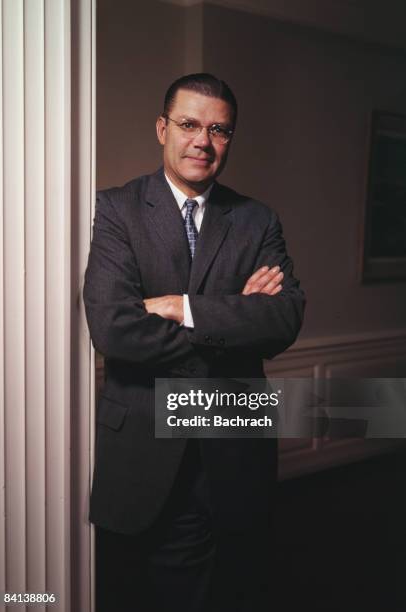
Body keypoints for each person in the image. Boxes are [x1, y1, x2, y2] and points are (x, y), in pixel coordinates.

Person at [83, 73, 305, 612]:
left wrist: (181, 307)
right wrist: (235, 322)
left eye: (219, 130)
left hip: (235, 449)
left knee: (238, 590)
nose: (202, 141)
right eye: (188, 124)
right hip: (144, 449)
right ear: (162, 128)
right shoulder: (116, 209)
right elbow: (115, 328)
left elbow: (283, 318)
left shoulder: (257, 220)